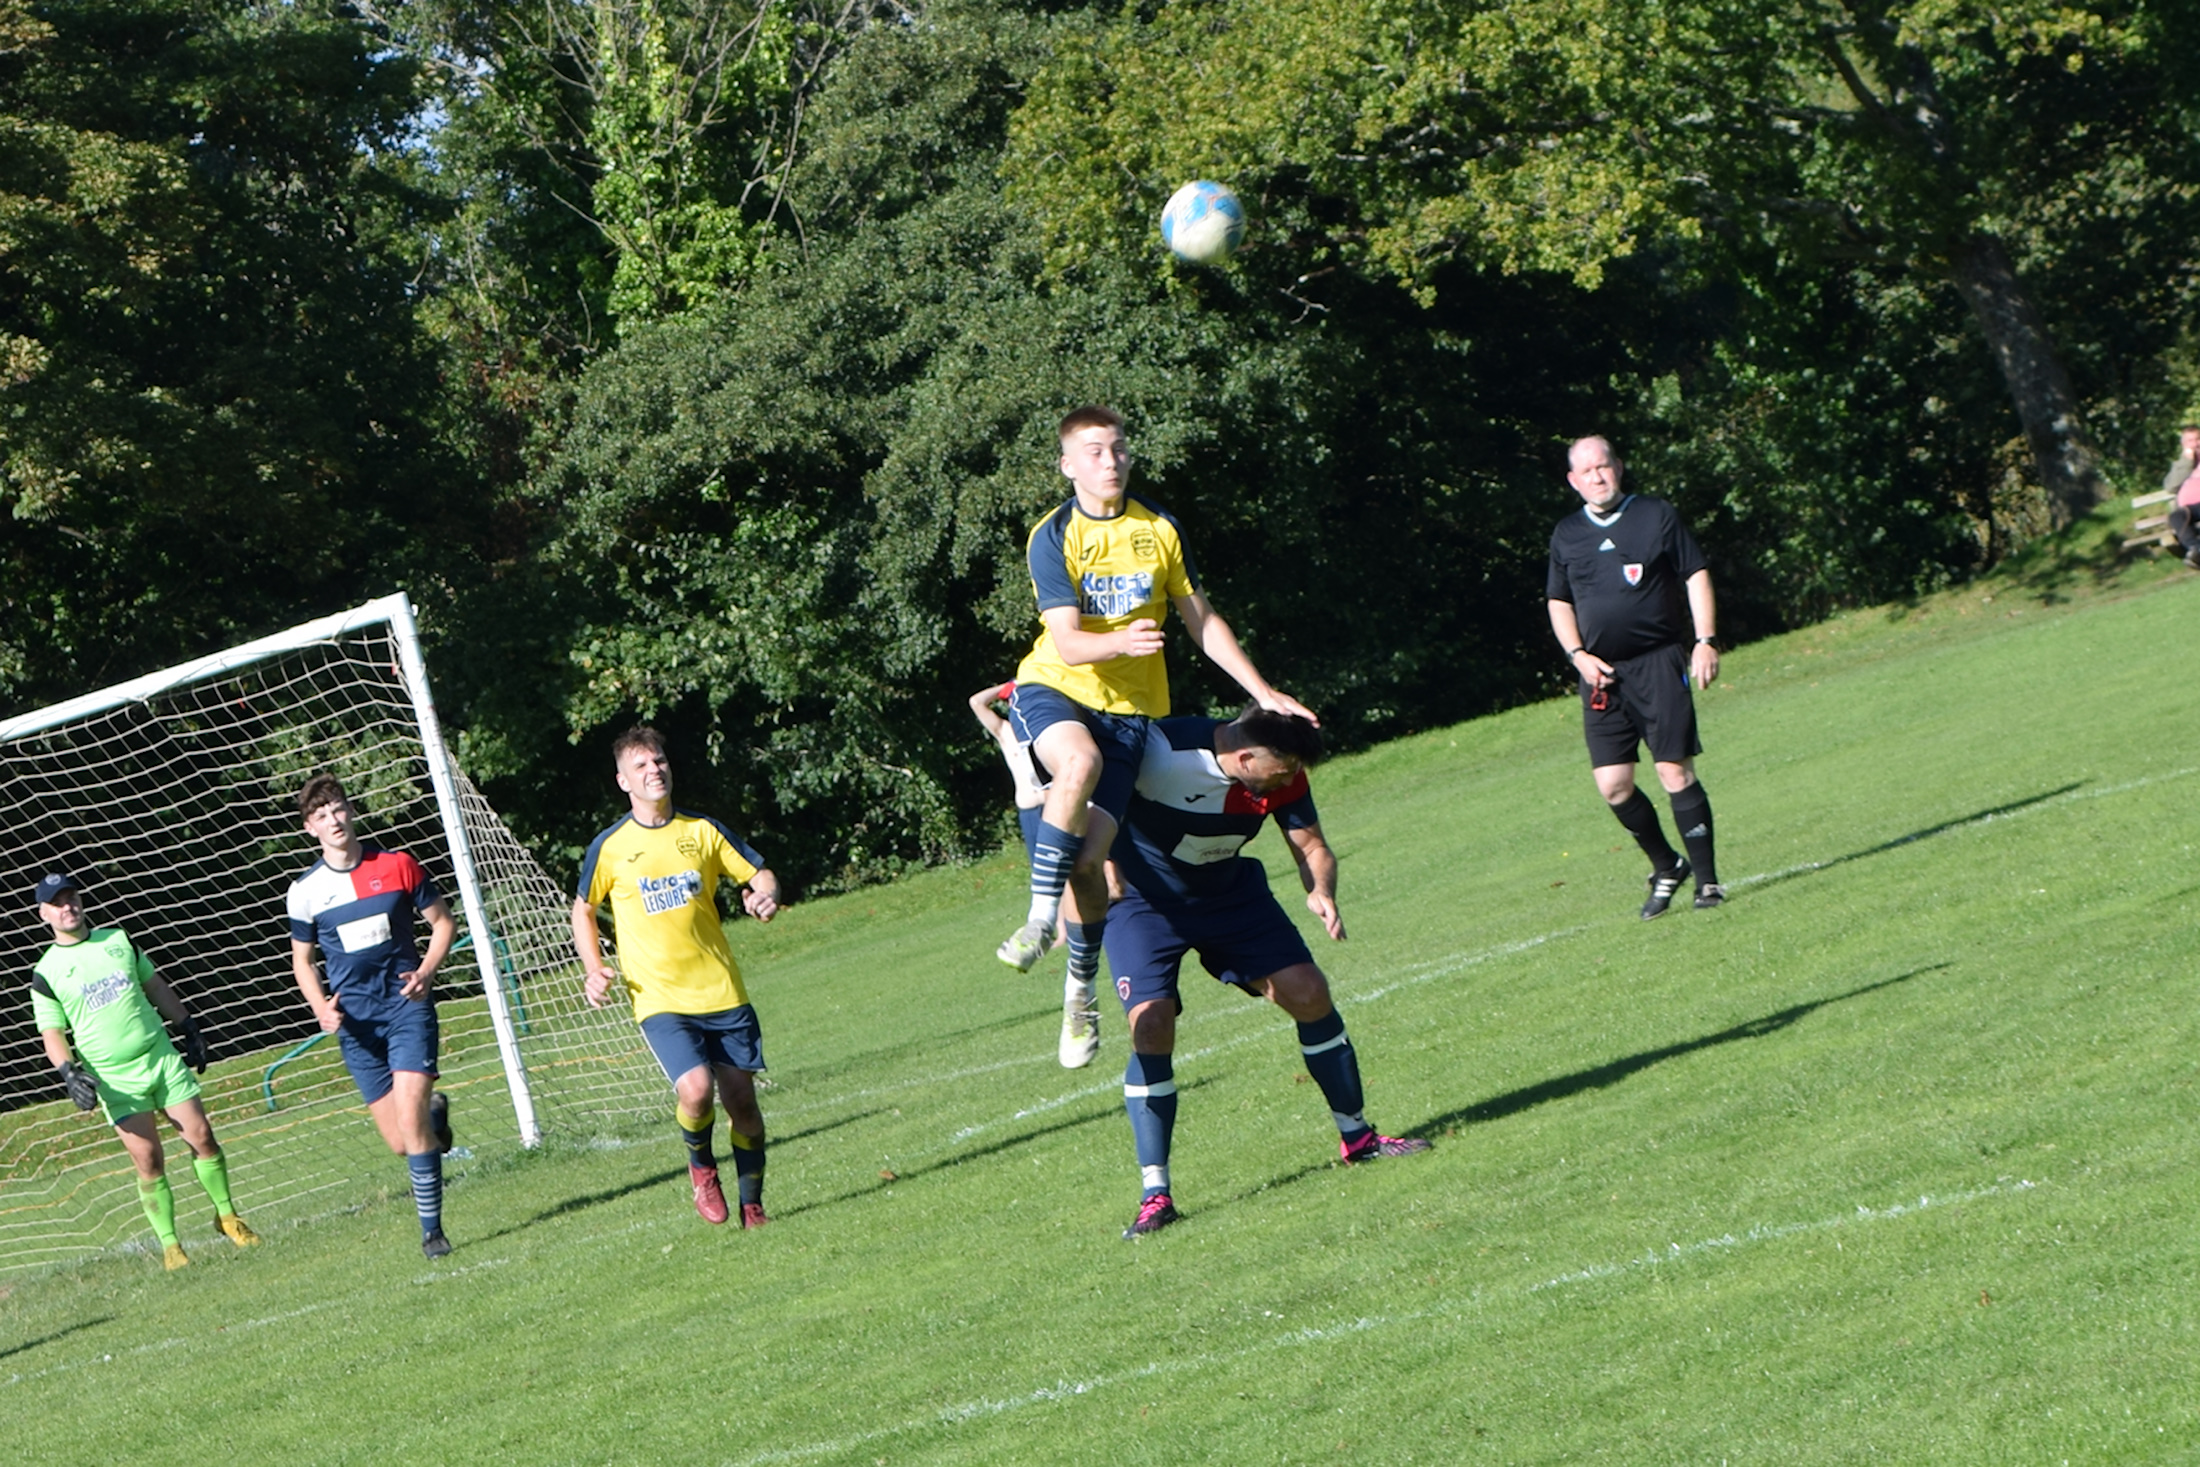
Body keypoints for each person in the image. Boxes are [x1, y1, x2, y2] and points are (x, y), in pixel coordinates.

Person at [998, 405, 1315, 1083]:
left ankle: (1078, 990)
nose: (1109, 460)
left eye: (1117, 449)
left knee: (1093, 863)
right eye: (1093, 451)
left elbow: (1201, 619)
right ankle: (1035, 918)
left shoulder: (1158, 527)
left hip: (1131, 718)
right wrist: (1122, 639)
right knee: (1076, 760)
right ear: (1067, 463)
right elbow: (1068, 641)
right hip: (1057, 689)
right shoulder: (1052, 536)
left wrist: (1263, 692)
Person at [1103, 708, 1428, 1239]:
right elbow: (1077, 790)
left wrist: (1321, 889)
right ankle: (1155, 1195)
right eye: (1279, 770)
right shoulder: (1159, 746)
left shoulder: (1283, 772)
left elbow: (1312, 846)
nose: (1288, 779)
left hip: (1232, 896)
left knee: (1309, 992)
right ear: (1245, 756)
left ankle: (1359, 1139)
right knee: (1150, 1023)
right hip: (1142, 905)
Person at [571, 726, 783, 1229]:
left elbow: (760, 872)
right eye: (642, 765)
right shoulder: (611, 847)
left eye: (660, 761)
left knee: (743, 1106)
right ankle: (701, 1167)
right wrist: (594, 968)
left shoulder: (702, 832)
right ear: (623, 780)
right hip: (659, 996)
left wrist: (765, 894)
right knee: (695, 1088)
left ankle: (753, 1207)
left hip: (722, 990)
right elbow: (583, 911)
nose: (655, 770)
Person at [31, 872, 260, 1270]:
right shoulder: (46, 973)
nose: (67, 907)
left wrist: (187, 1025)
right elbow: (51, 1031)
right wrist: (68, 1073)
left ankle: (228, 1218)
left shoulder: (119, 941)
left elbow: (155, 986)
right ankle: (171, 1246)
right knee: (149, 1161)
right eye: (57, 903)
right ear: (43, 914)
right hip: (114, 1078)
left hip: (160, 1058)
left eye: (71, 898)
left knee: (203, 1138)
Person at [1545, 435, 1727, 919]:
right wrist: (1577, 654)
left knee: (1674, 770)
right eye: (1586, 472)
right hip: (1600, 675)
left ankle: (1707, 884)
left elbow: (1695, 573)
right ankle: (1667, 865)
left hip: (1659, 661)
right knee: (1614, 785)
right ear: (1573, 480)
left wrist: (1705, 640)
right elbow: (1558, 601)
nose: (1597, 477)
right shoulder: (1566, 534)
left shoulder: (1655, 515)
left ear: (1618, 468)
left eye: (1604, 467)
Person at [286, 774, 459, 1259]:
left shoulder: (398, 865)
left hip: (406, 1008)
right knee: (403, 1141)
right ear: (310, 829)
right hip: (357, 1028)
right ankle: (434, 1117)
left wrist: (426, 969)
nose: (333, 820)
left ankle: (432, 1233)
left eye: (338, 808)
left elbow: (443, 922)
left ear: (351, 811)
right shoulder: (304, 892)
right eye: (321, 815)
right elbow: (303, 961)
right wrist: (320, 1007)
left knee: (409, 1119)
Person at [968, 678, 1123, 1068]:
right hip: (1031, 811)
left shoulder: (1051, 731)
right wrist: (1006, 689)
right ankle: (1052, 928)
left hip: (1059, 802)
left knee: (1083, 863)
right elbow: (975, 702)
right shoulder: (1008, 730)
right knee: (1052, 873)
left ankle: (1080, 917)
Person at [2161, 426, 2200, 568]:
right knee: (2175, 517)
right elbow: (2171, 486)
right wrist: (2187, 462)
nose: (2195, 444)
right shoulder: (2181, 464)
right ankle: (2196, 549)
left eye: (2198, 439)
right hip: (2189, 510)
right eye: (2190, 440)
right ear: (2184, 444)